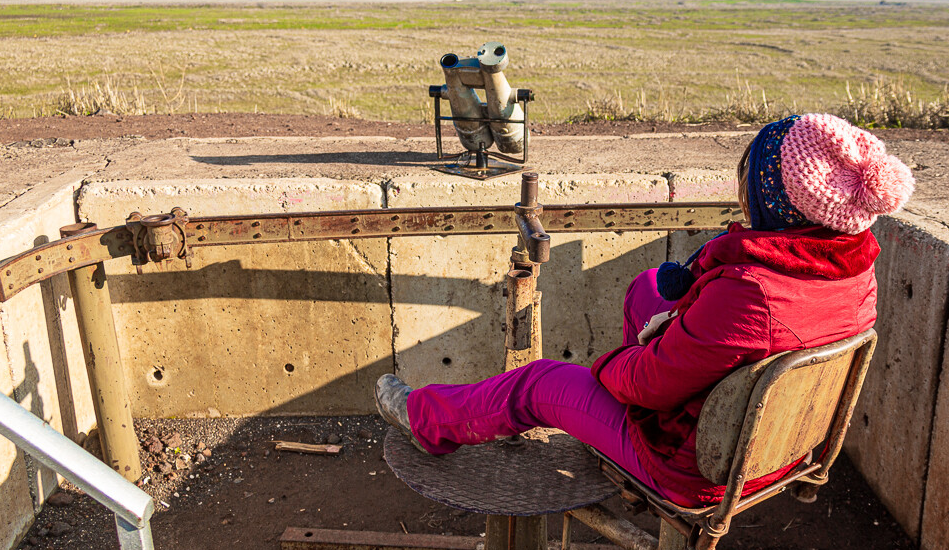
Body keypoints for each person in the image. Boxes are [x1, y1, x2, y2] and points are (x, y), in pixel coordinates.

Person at [375, 113, 914, 508]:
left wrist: (609, 369)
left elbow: (650, 386)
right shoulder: (850, 264)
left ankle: (425, 420)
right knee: (648, 287)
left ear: (776, 197)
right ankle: (619, 405)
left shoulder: (751, 290)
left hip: (696, 468)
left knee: (538, 384)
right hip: (781, 446)